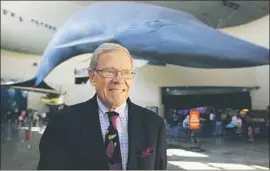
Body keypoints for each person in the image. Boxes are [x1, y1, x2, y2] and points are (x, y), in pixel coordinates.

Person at [37, 43, 167, 170]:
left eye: (126, 72)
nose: (119, 80)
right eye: (110, 72)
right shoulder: (62, 123)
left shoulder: (154, 125)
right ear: (92, 77)